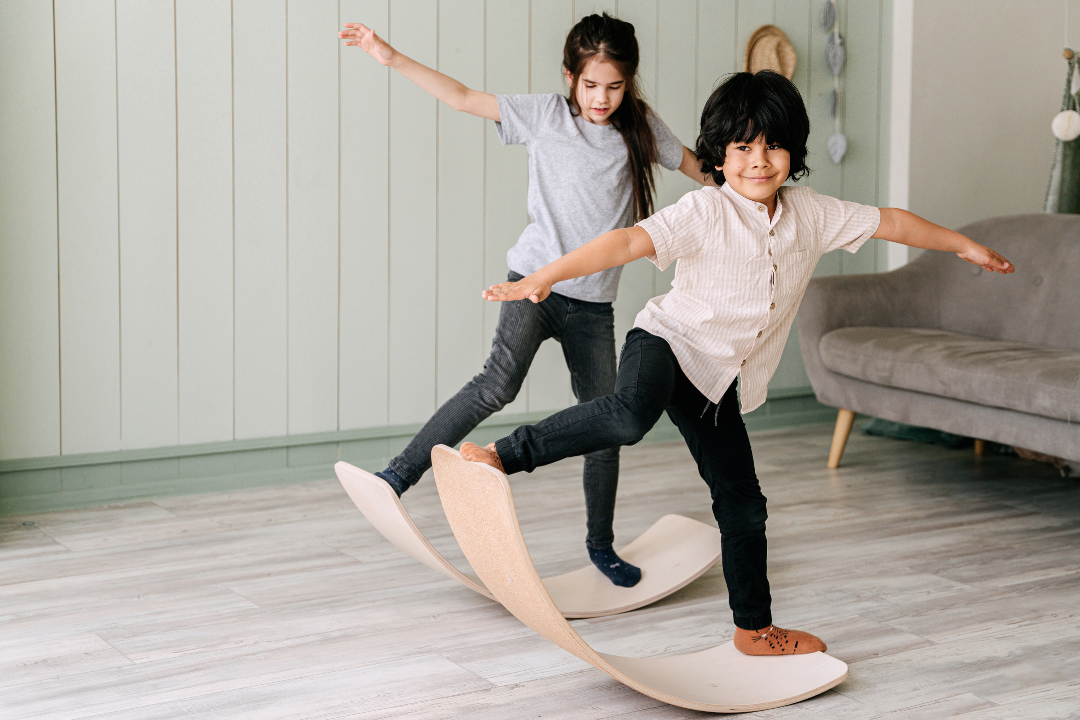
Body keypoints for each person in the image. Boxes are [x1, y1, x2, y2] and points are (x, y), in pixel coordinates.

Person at [461, 70, 1014, 655]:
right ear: (719, 156)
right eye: (742, 147)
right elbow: (625, 243)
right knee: (629, 417)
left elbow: (892, 221)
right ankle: (501, 456)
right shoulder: (704, 210)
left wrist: (962, 244)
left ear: (793, 152)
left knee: (744, 502)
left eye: (773, 145)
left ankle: (754, 629)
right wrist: (544, 277)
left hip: (718, 380)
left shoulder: (813, 215)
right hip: (666, 343)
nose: (759, 161)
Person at [340, 13, 715, 587]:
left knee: (608, 420)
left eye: (614, 86)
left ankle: (601, 545)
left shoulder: (639, 128)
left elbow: (701, 172)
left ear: (629, 82)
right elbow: (464, 97)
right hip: (531, 285)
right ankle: (398, 474)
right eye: (590, 85)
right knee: (497, 383)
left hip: (592, 305)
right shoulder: (545, 115)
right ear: (570, 77)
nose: (601, 98)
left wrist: (760, 197)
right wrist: (392, 58)